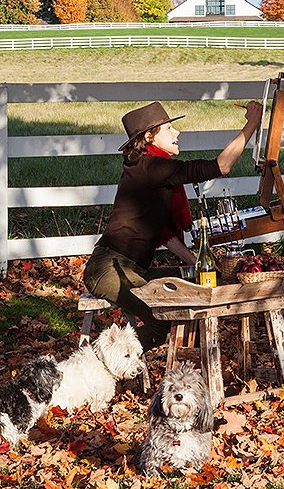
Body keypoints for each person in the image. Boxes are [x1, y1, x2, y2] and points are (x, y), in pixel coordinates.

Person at [83, 100, 263, 352]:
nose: (176, 133)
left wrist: (198, 263)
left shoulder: (149, 168)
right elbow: (221, 166)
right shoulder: (151, 167)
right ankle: (103, 362)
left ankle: (192, 361)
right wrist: (252, 125)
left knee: (191, 281)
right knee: (159, 321)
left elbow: (166, 236)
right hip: (108, 270)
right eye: (168, 128)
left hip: (131, 268)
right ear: (149, 137)